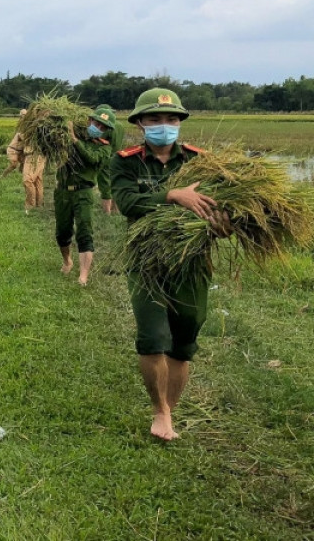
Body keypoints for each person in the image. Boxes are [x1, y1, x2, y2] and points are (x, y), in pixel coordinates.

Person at [111, 87, 229, 442]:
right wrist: (173, 195)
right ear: (140, 123)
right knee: (153, 338)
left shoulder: (201, 161)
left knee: (184, 339)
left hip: (191, 262)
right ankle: (159, 410)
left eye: (171, 118)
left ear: (180, 122)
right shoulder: (126, 161)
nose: (165, 124)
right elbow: (128, 202)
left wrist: (224, 224)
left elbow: (217, 208)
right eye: (155, 119)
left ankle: (170, 410)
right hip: (145, 259)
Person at [54, 106, 114, 285]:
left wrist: (74, 140)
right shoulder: (70, 137)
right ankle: (67, 261)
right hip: (63, 192)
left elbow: (91, 158)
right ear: (89, 121)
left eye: (103, 127)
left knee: (85, 231)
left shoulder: (104, 148)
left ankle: (83, 276)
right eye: (96, 123)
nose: (98, 128)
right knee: (62, 231)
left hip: (84, 193)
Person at [93, 104, 122, 214]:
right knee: (116, 183)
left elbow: (100, 141)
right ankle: (116, 209)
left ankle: (107, 212)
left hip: (107, 158)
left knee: (105, 184)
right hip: (118, 156)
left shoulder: (107, 127)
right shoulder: (120, 125)